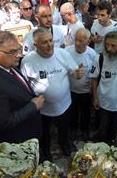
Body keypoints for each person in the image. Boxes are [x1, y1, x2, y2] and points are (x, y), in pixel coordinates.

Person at [21, 28, 84, 160]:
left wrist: (77, 74)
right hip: (43, 109)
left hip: (64, 104)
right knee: (44, 132)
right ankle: (46, 151)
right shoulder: (28, 61)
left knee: (64, 128)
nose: (50, 45)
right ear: (35, 45)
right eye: (44, 42)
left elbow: (73, 71)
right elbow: (24, 85)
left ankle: (64, 143)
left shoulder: (63, 54)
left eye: (51, 41)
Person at [0, 31, 43, 145]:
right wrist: (33, 106)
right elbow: (2, 123)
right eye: (13, 52)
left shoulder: (7, 64)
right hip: (17, 142)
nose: (19, 55)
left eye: (19, 49)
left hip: (30, 132)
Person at [90, 31, 117, 143]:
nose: (109, 48)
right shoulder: (99, 58)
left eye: (113, 45)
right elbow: (93, 79)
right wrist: (95, 98)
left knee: (115, 127)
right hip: (103, 101)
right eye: (107, 44)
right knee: (103, 126)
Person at [66, 29, 97, 140]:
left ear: (88, 42)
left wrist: (93, 91)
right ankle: (73, 129)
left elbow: (94, 74)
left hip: (86, 91)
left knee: (85, 112)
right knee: (72, 112)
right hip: (71, 90)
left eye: (81, 41)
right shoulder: (67, 52)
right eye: (76, 40)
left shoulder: (92, 54)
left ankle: (84, 129)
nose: (77, 43)